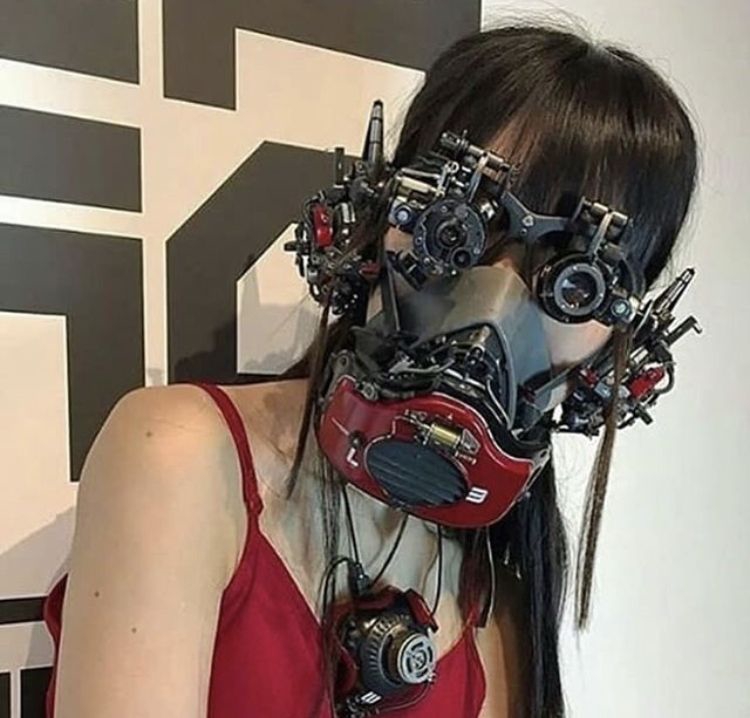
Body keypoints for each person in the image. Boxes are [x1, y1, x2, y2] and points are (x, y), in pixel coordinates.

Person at [41, 20, 698, 718]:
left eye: (577, 279)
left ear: (623, 335)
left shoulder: (501, 593)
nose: (497, 299)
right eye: (463, 225)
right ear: (385, 211)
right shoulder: (182, 455)